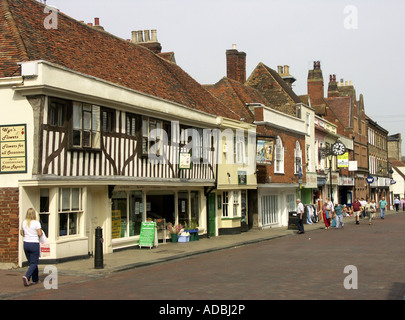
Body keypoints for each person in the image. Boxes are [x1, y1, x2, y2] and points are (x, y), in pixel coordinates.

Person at [20, 208, 43, 287]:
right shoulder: (36, 223)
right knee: (34, 262)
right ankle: (27, 276)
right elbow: (40, 234)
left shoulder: (24, 222)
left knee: (32, 263)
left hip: (26, 244)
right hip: (34, 244)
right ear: (34, 214)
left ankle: (35, 279)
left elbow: (22, 233)